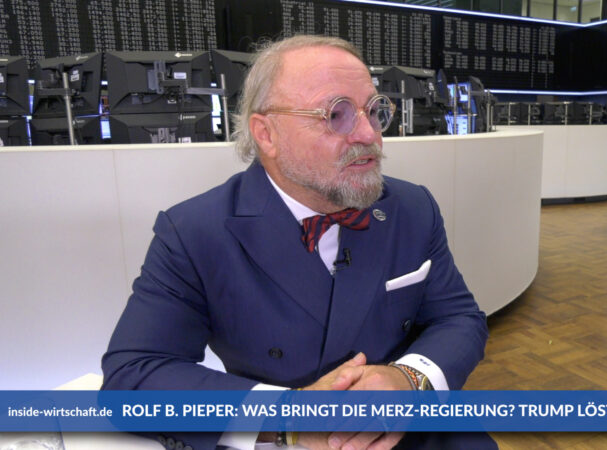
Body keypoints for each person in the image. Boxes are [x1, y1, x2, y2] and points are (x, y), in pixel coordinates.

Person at [102, 35, 493, 450]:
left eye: (374, 110)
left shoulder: (412, 207)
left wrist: (409, 380)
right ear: (266, 134)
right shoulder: (194, 231)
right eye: (336, 114)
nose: (369, 134)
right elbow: (132, 377)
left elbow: (460, 318)